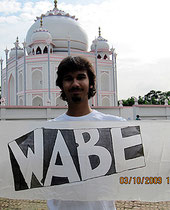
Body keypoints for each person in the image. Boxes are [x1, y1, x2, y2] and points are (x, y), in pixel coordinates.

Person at [48, 56, 125, 210]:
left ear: (90, 84)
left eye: (81, 77)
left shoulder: (114, 126)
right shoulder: (48, 131)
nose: (75, 83)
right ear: (62, 86)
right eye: (68, 79)